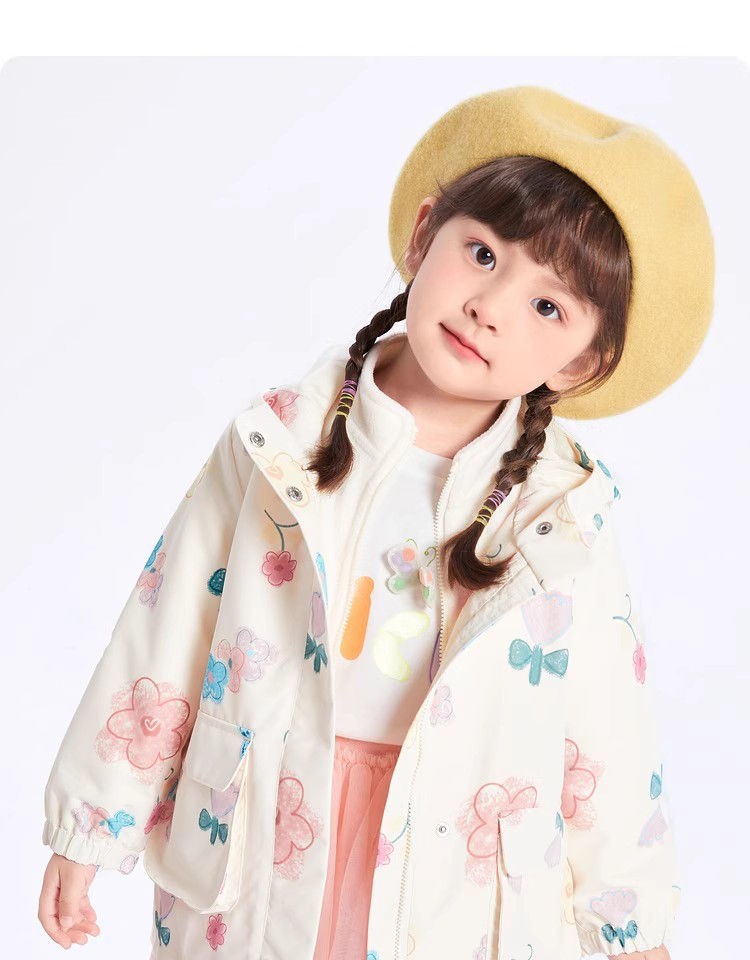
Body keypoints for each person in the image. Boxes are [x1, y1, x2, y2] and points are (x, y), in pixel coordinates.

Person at [38, 85, 713, 959]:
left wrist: (631, 929)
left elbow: (606, 730)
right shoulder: (277, 442)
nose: (492, 305)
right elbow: (165, 627)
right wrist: (93, 820)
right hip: (268, 829)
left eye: (547, 306)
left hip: (457, 872)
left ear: (582, 363)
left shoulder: (563, 515)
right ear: (423, 235)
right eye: (482, 253)